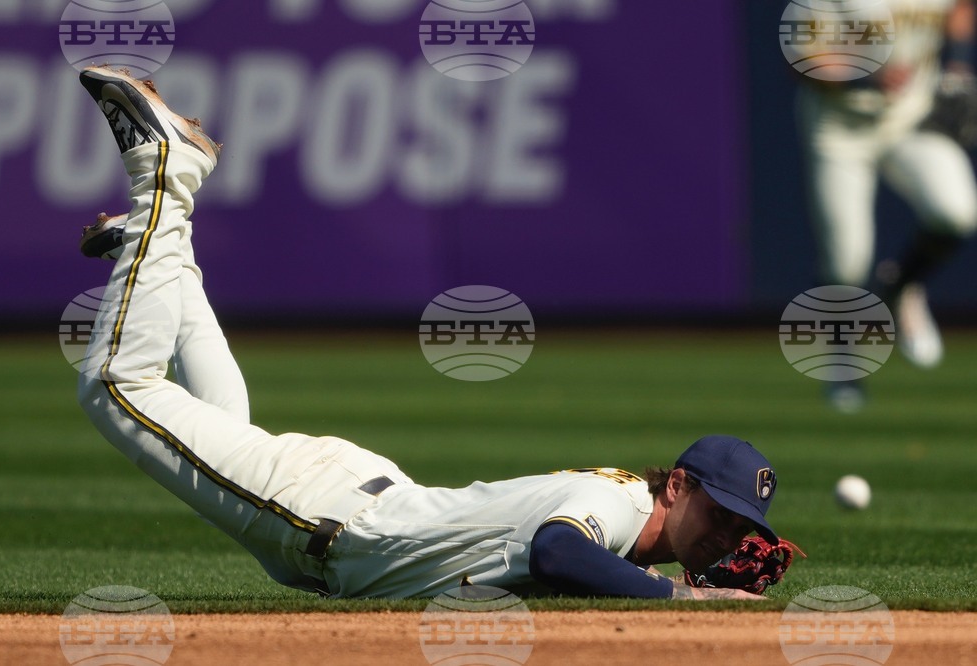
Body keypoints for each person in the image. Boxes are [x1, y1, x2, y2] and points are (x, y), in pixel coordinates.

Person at [76, 66, 778, 600]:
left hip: (348, 506)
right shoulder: (616, 505)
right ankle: (165, 176)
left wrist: (684, 580)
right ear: (678, 487)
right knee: (117, 387)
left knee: (220, 426)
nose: (726, 538)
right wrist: (679, 595)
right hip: (325, 515)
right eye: (721, 514)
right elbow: (558, 554)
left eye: (739, 530)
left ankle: (157, 254)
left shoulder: (631, 529)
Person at [796, 0, 977, 411]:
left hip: (910, 119)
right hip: (838, 130)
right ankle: (845, 364)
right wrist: (862, 77)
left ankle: (902, 284)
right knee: (847, 263)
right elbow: (800, 62)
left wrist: (960, 65)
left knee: (957, 210)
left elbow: (960, 8)